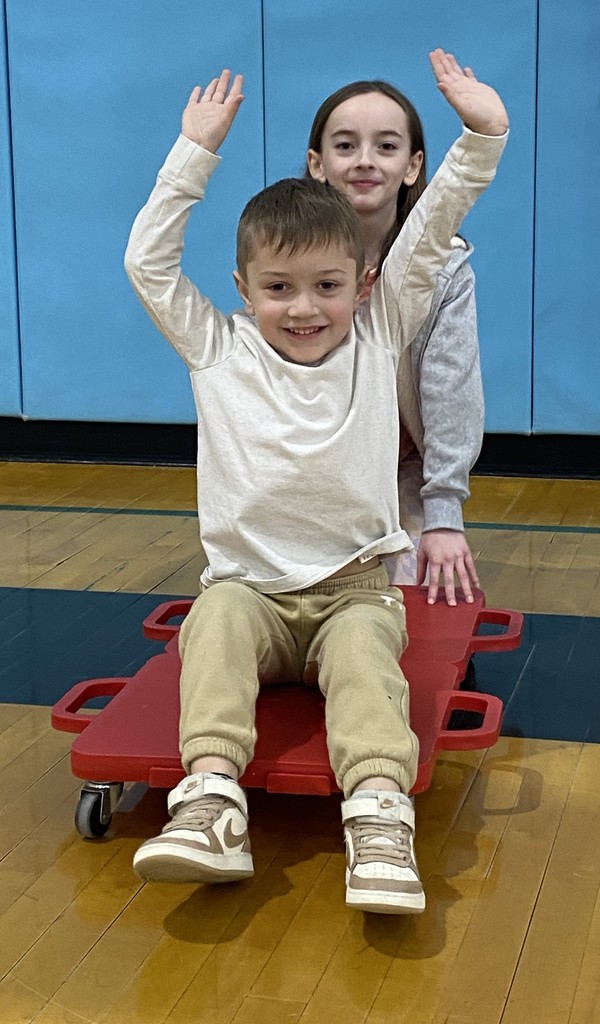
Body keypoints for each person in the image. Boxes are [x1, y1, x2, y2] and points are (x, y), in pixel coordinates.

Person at [124, 50, 508, 914]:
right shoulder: (216, 348)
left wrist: (482, 136)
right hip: (248, 588)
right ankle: (211, 804)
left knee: (371, 665)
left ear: (365, 285)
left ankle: (378, 821)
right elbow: (148, 264)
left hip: (353, 591)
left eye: (327, 286)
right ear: (242, 289)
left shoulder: (381, 332)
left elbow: (432, 228)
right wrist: (193, 154)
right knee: (212, 629)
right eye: (279, 288)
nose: (304, 308)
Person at [306, 77, 487, 606]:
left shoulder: (443, 269)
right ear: (317, 163)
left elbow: (451, 390)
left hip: (398, 468)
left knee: (411, 599)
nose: (365, 161)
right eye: (346, 145)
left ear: (412, 166)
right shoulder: (284, 251)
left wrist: (443, 515)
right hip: (307, 467)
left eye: (386, 146)